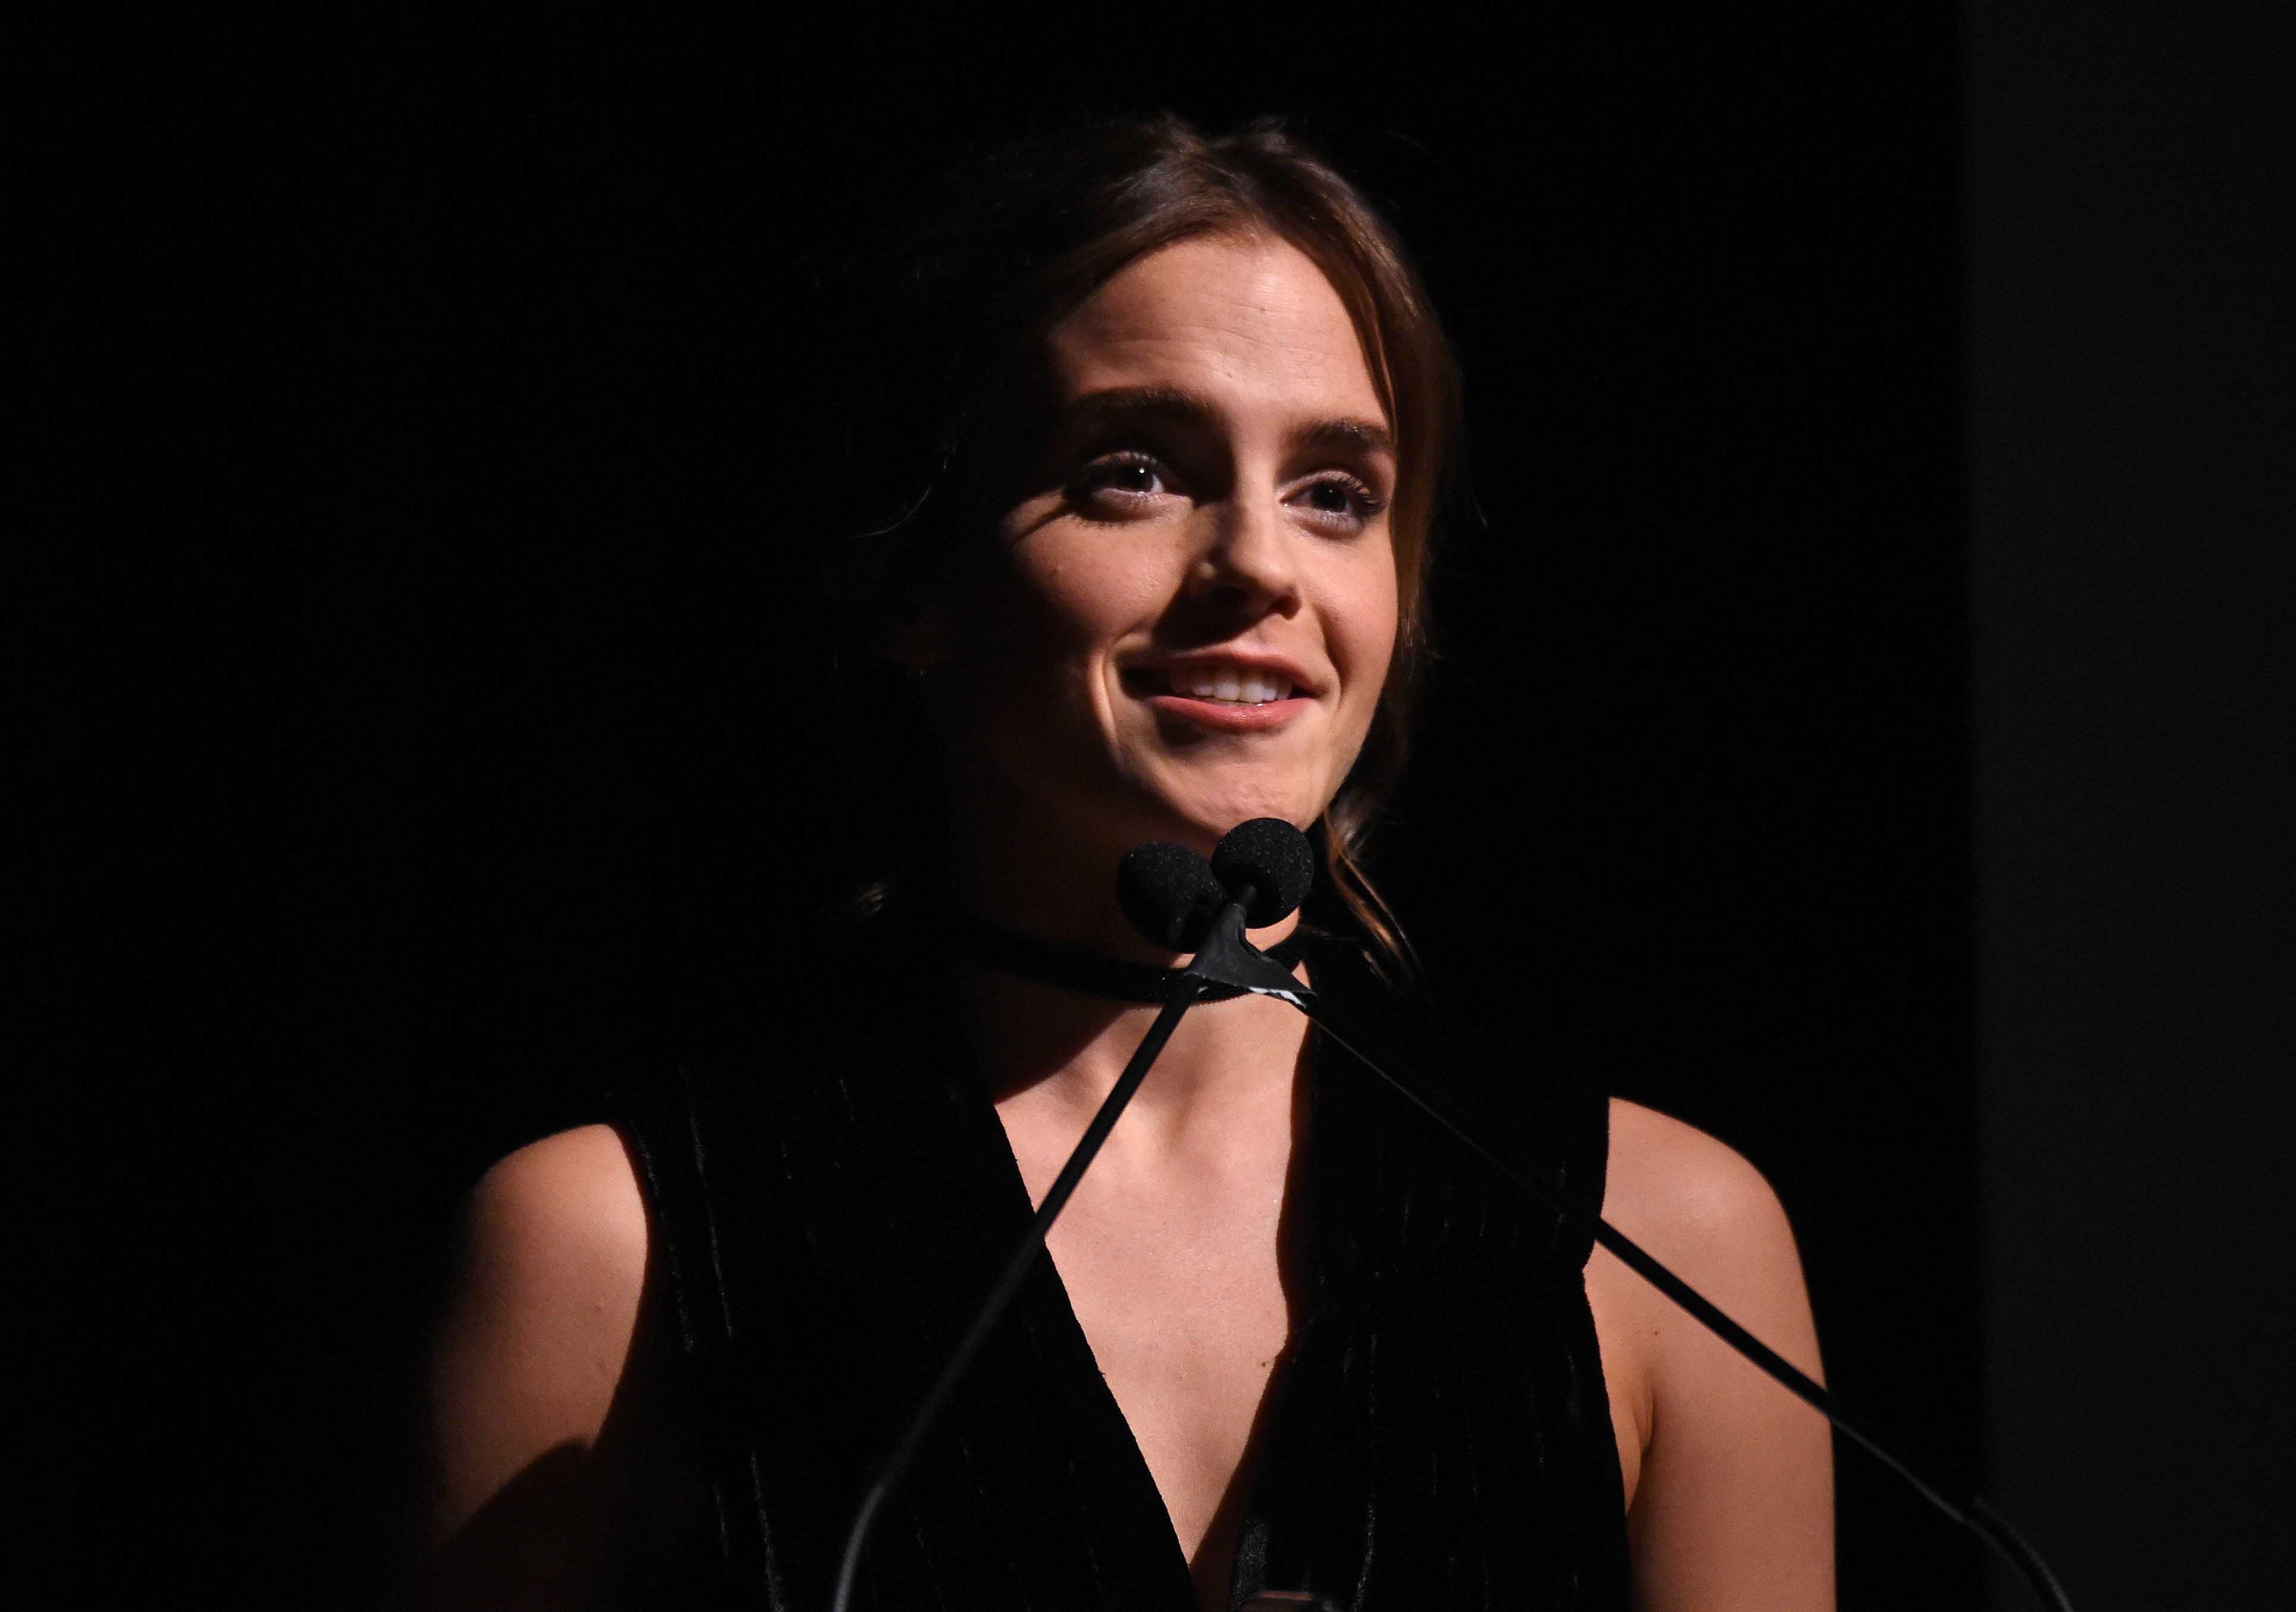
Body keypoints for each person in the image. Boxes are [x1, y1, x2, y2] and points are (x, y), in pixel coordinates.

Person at [408, 115, 1833, 1611]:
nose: (1260, 566)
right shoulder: (603, 1249)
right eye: (1136, 470)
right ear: (908, 576)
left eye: (1334, 492)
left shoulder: (1663, 1243)